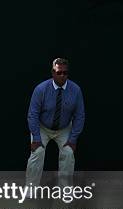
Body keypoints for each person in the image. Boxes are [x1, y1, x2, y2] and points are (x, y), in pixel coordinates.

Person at [25, 58, 85, 188]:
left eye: (65, 73)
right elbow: (33, 114)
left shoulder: (75, 90)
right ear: (53, 72)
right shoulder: (41, 89)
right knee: (37, 152)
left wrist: (73, 139)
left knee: (68, 153)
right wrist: (36, 137)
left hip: (64, 128)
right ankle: (30, 189)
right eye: (59, 72)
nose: (62, 75)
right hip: (42, 127)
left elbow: (79, 116)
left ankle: (66, 190)